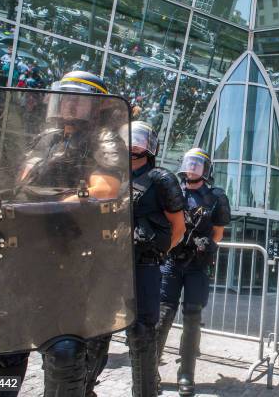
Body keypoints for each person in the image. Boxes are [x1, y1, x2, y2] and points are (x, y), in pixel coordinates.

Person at [0, 71, 127, 397]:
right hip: (21, 254)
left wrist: (51, 209)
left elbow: (105, 189)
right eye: (65, 96)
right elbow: (20, 182)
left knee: (64, 351)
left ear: (94, 106)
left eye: (78, 99)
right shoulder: (46, 137)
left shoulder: (104, 139)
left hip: (65, 259)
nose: (69, 104)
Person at [86, 121, 186, 397]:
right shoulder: (107, 177)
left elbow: (178, 227)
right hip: (107, 263)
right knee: (97, 330)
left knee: (142, 332)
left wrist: (157, 253)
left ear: (150, 146)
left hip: (144, 264)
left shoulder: (161, 179)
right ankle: (84, 389)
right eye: (129, 140)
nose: (133, 145)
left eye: (139, 140)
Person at [155, 148, 231, 396]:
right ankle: (150, 369)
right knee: (163, 314)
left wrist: (205, 247)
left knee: (192, 318)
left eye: (198, 164)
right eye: (190, 163)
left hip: (197, 266)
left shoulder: (216, 197)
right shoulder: (173, 191)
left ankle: (186, 373)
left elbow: (218, 232)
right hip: (173, 262)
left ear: (206, 169)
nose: (192, 167)